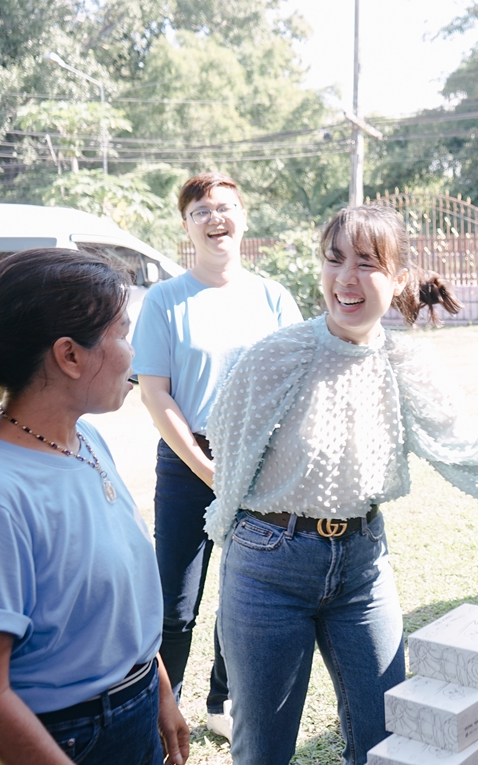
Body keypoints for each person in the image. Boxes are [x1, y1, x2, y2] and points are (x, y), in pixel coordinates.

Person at [202, 205, 478, 765]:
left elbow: (468, 449)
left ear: (398, 278)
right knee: (263, 751)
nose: (346, 279)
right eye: (335, 260)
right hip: (268, 568)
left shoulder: (403, 363)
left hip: (361, 568)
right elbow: (227, 456)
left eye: (367, 264)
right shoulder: (274, 357)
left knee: (387, 742)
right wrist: (232, 539)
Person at [0, 249, 189, 765]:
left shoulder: (83, 440)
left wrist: (159, 692)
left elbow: (118, 600)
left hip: (132, 707)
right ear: (70, 355)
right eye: (123, 333)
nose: (134, 350)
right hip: (63, 739)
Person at [131, 172, 301, 739]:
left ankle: (222, 704)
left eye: (225, 207)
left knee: (246, 594)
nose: (215, 218)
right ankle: (162, 710)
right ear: (186, 226)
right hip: (187, 460)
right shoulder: (164, 300)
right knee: (176, 605)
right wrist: (206, 470)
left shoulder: (274, 298)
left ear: (243, 219)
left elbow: (297, 384)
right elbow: (155, 393)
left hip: (261, 461)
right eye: (201, 210)